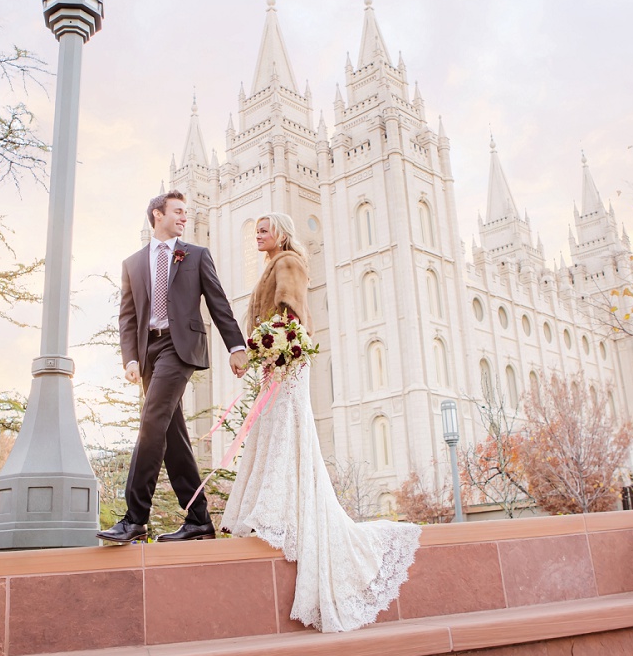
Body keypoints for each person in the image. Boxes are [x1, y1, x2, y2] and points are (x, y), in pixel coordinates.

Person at [221, 213, 421, 632]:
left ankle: (283, 512)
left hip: (288, 361)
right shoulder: (270, 266)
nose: (258, 235)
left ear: (281, 232)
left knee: (286, 428)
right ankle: (280, 506)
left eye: (264, 229)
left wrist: (275, 349)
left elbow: (291, 314)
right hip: (275, 362)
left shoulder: (288, 262)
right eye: (255, 230)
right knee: (273, 430)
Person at [98, 191, 248, 544]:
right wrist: (131, 359)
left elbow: (217, 301)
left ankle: (135, 518)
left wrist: (236, 345)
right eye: (177, 211)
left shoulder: (195, 255)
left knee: (151, 420)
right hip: (149, 353)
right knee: (172, 435)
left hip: (180, 347)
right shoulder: (132, 263)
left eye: (186, 212)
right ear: (157, 215)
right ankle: (198, 519)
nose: (184, 217)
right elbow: (127, 317)